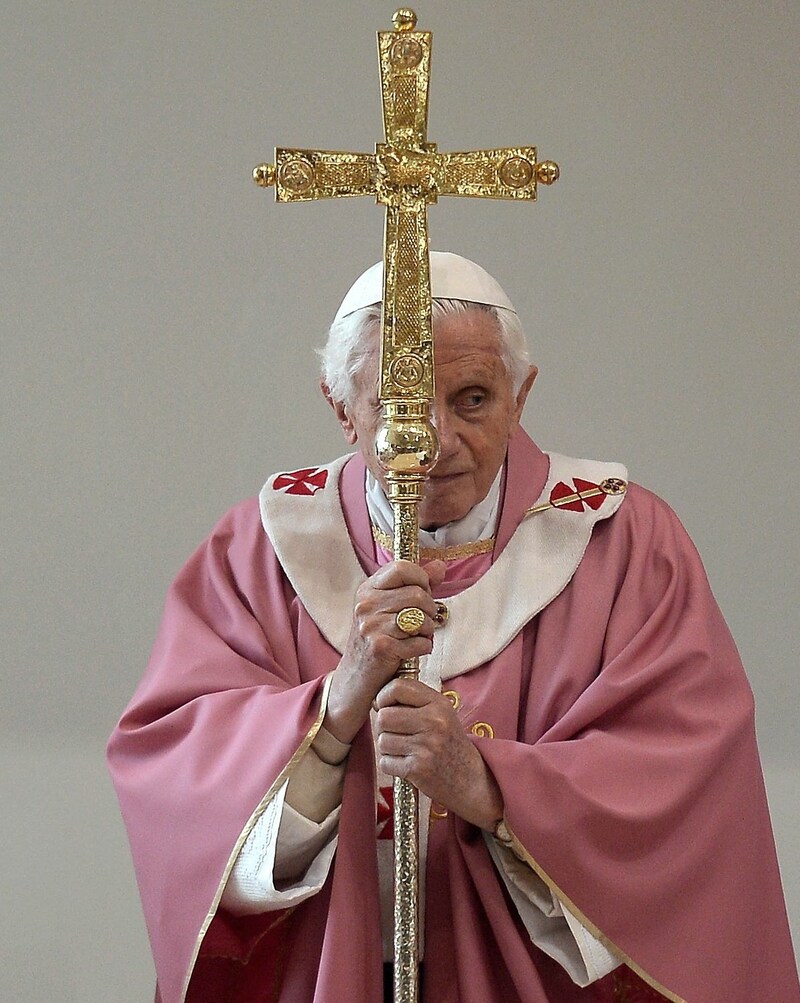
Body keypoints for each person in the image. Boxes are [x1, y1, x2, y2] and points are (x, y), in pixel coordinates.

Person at [108, 253, 799, 1003]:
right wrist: (336, 713)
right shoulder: (259, 553)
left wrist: (488, 785)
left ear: (521, 395)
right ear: (341, 407)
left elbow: (689, 790)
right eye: (397, 406)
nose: (433, 440)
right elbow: (179, 795)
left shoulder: (625, 546)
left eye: (472, 399)